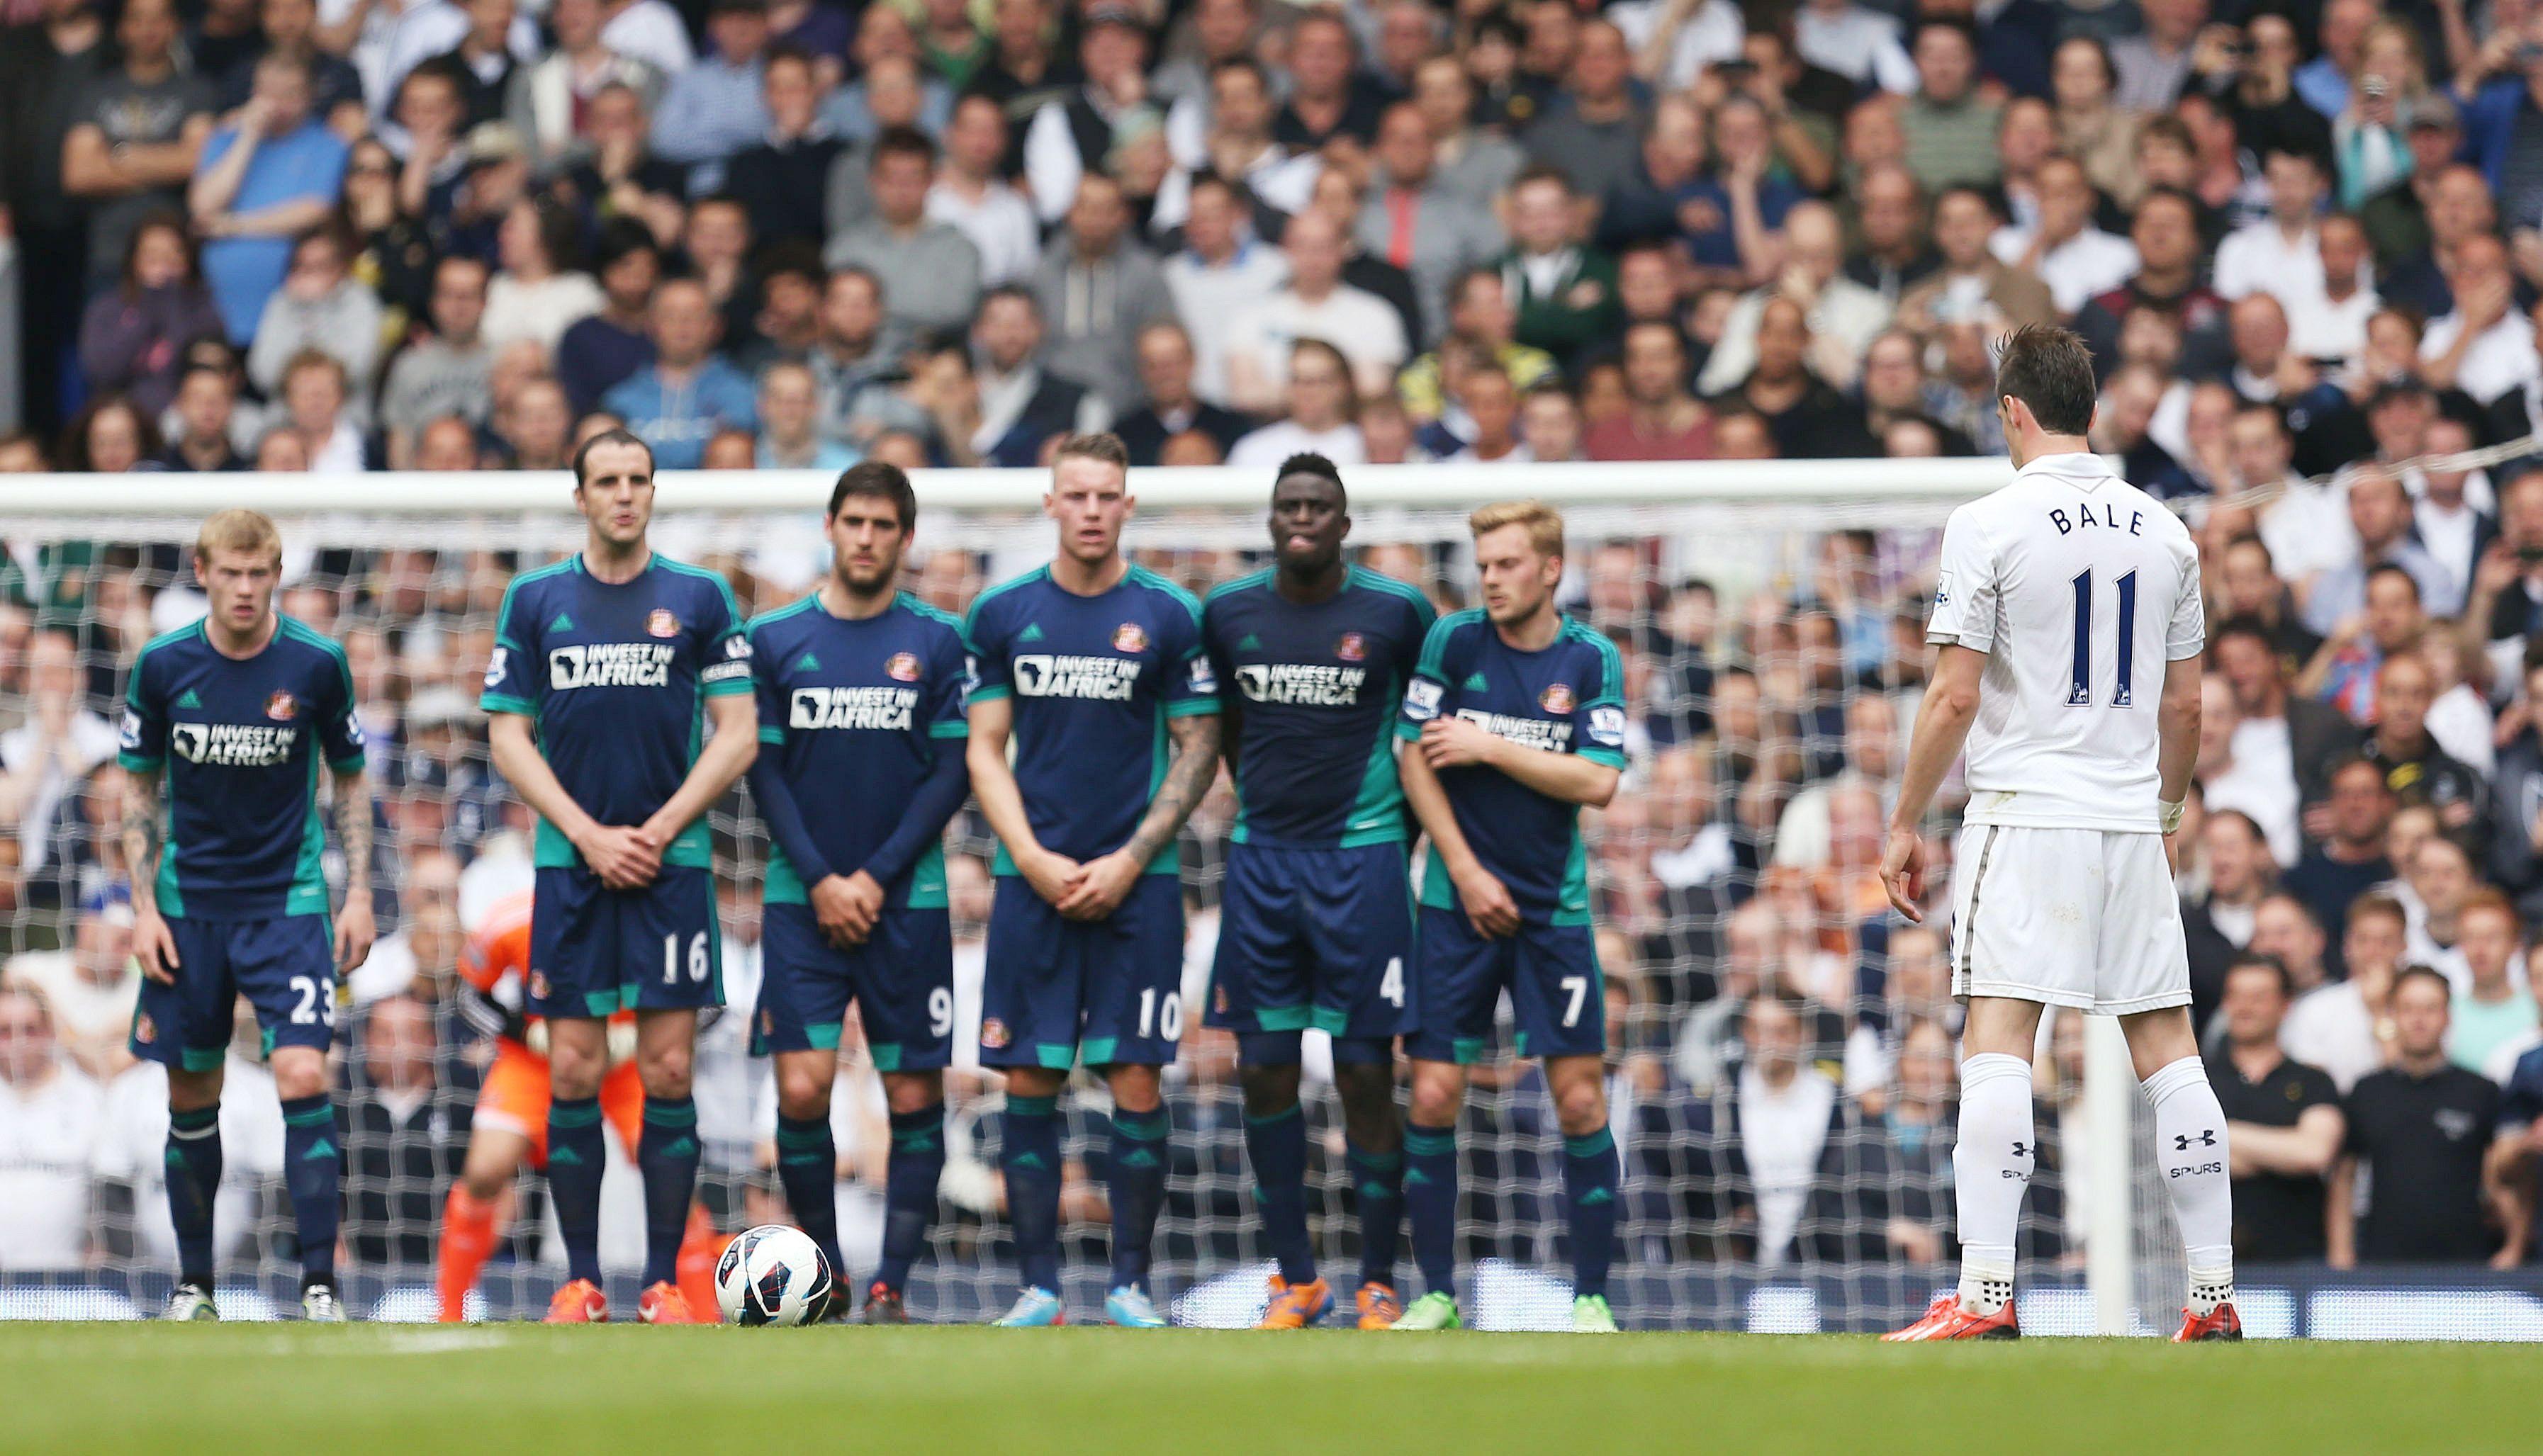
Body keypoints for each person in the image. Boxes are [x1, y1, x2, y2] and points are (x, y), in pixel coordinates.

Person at [1880, 325, 2239, 1342]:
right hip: (2129, 817)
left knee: (1998, 1039)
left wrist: (1903, 817)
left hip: (2028, 809)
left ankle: (1986, 1291)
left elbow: (1954, 694)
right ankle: (2212, 1293)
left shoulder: (1989, 521)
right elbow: (2188, 710)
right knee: (2168, 1048)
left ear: (2012, 412)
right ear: (2094, 407)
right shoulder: (2167, 531)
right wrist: (2163, 811)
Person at [479, 429, 759, 1324]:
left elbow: (739, 730)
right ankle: (581, 1280)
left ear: (652, 491)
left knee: (670, 1070)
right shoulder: (535, 599)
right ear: (581, 495)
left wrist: (662, 826)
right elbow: (507, 734)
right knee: (570, 1069)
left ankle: (667, 1285)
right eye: (608, 481)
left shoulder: (699, 596)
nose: (625, 494)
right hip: (573, 867)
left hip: (671, 867)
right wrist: (588, 834)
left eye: (639, 480)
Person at [961, 433, 1220, 1328]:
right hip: (1032, 881)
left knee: (1137, 1080)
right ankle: (1038, 1290)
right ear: (1051, 504)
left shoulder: (1169, 615)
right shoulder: (1001, 614)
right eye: (1077, 496)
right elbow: (984, 748)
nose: (1092, 511)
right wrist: (1030, 856)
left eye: (1108, 496)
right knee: (1028, 1080)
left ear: (1128, 505)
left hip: (1137, 887)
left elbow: (1197, 747)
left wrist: (1131, 858)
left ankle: (1130, 1287)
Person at [117, 509, 376, 1321]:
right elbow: (136, 787)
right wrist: (139, 906)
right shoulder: (162, 666)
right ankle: (196, 1286)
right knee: (192, 1094)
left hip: (288, 904)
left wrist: (359, 891)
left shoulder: (316, 663)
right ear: (202, 569)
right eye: (230, 572)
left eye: (259, 573)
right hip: (188, 909)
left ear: (277, 574)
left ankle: (320, 1285)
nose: (244, 588)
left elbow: (351, 777)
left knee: (303, 1072)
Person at [1198, 456, 1435, 1329]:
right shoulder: (1227, 613)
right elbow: (1224, 730)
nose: (1302, 517)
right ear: (1272, 520)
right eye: (1289, 505)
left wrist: (1392, 843)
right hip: (1263, 865)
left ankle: (1378, 1278)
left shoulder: (1398, 611)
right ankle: (1296, 1278)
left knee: (1367, 1073)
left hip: (1363, 866)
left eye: (1319, 506)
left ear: (1344, 522)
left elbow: (1424, 732)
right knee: (1262, 1072)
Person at [738, 463, 970, 1321]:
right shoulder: (777, 637)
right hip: (803, 901)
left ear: (905, 539)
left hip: (907, 901)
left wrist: (872, 878)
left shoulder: (941, 641)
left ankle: (892, 1287)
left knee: (913, 1094)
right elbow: (762, 770)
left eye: (885, 525)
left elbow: (951, 771)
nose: (868, 537)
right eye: (855, 521)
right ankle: (827, 1274)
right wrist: (826, 879)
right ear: (830, 527)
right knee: (802, 1090)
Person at [1393, 500, 1627, 1333]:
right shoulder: (1452, 643)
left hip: (1549, 912)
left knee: (1579, 1104)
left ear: (1550, 569)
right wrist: (1459, 867)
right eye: (1483, 564)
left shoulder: (1591, 660)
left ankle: (1592, 1297)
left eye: (1507, 564)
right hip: (1453, 906)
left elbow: (1598, 782)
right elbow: (1410, 754)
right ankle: (1433, 1295)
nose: (1490, 578)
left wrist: (1490, 746)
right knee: (1431, 1092)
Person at [434, 888, 722, 1321]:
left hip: (633, 1064)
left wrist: (645, 1039)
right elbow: (467, 995)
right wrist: (526, 1034)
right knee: (486, 1169)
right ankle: (449, 1309)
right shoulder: (514, 919)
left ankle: (696, 1308)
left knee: (672, 1177)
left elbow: (711, 1002)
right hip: (541, 1061)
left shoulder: (658, 915)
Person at [2330, 966, 2503, 1265]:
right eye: (2407, 1008)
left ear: (2448, 1017)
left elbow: (2503, 1179)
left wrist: (2511, 1247)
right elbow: (2344, 1175)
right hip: (2381, 1263)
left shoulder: (2481, 1091)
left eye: (2430, 1009)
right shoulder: (2367, 1090)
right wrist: (2340, 1251)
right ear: (2393, 1015)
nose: (2419, 1019)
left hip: (2467, 1266)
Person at [189, 53, 351, 345]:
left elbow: (314, 210)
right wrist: (248, 137)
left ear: (310, 95)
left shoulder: (328, 144)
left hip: (296, 318)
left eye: (290, 93)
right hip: (218, 313)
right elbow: (203, 206)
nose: (278, 103)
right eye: (268, 92)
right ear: (254, 92)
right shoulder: (224, 138)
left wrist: (233, 226)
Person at [2208, 953, 2343, 1262]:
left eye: (2258, 998)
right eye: (2235, 996)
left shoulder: (2314, 1081)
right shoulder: (2199, 1081)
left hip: (2300, 1263)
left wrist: (2221, 1135)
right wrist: (2282, 1153)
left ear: (2286, 1005)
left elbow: (2314, 1153)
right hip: (2214, 1269)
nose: (2244, 1008)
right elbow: (2182, 1157)